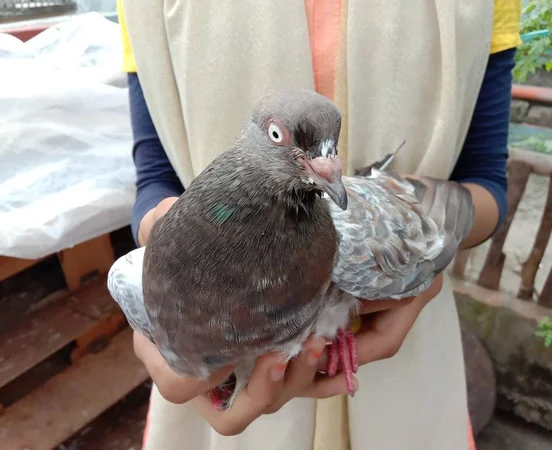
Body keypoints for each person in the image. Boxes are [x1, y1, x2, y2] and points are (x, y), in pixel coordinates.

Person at [117, 1, 521, 449]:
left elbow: (485, 182)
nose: (331, 169)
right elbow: (154, 178)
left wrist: (402, 237)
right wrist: (164, 269)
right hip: (224, 377)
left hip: (395, 358)